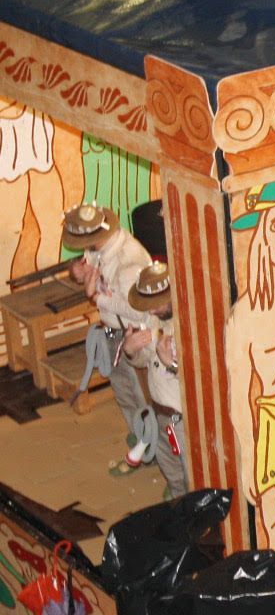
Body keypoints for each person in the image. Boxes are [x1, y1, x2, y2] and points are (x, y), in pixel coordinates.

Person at [60, 201, 154, 474]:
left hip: (133, 336)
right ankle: (140, 435)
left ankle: (151, 448)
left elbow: (137, 308)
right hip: (113, 331)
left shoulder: (128, 264)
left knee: (142, 396)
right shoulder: (99, 247)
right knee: (124, 393)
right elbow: (86, 266)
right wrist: (77, 274)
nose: (83, 248)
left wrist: (96, 297)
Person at [123, 263, 189, 500]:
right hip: (160, 414)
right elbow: (144, 360)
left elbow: (199, 377)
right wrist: (131, 351)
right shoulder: (154, 320)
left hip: (183, 420)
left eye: (157, 305)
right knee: (172, 475)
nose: (151, 312)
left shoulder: (188, 325)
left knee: (190, 476)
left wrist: (170, 363)